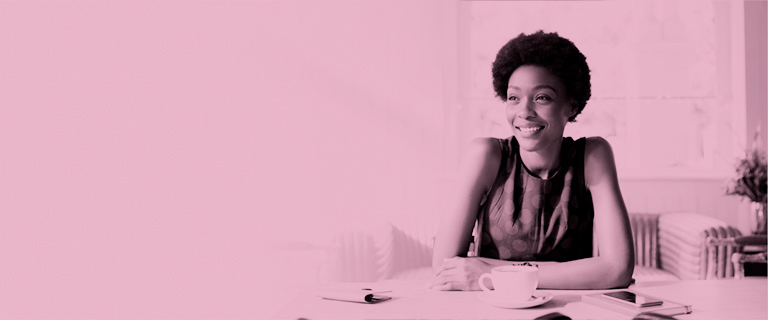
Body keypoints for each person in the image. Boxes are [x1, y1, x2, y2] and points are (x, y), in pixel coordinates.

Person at [428, 31, 634, 291]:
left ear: (571, 106)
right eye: (514, 97)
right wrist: (575, 272)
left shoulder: (593, 155)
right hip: (490, 309)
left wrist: (491, 272)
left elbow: (617, 270)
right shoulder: (485, 155)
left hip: (569, 312)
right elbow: (445, 269)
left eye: (542, 97)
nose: (524, 112)